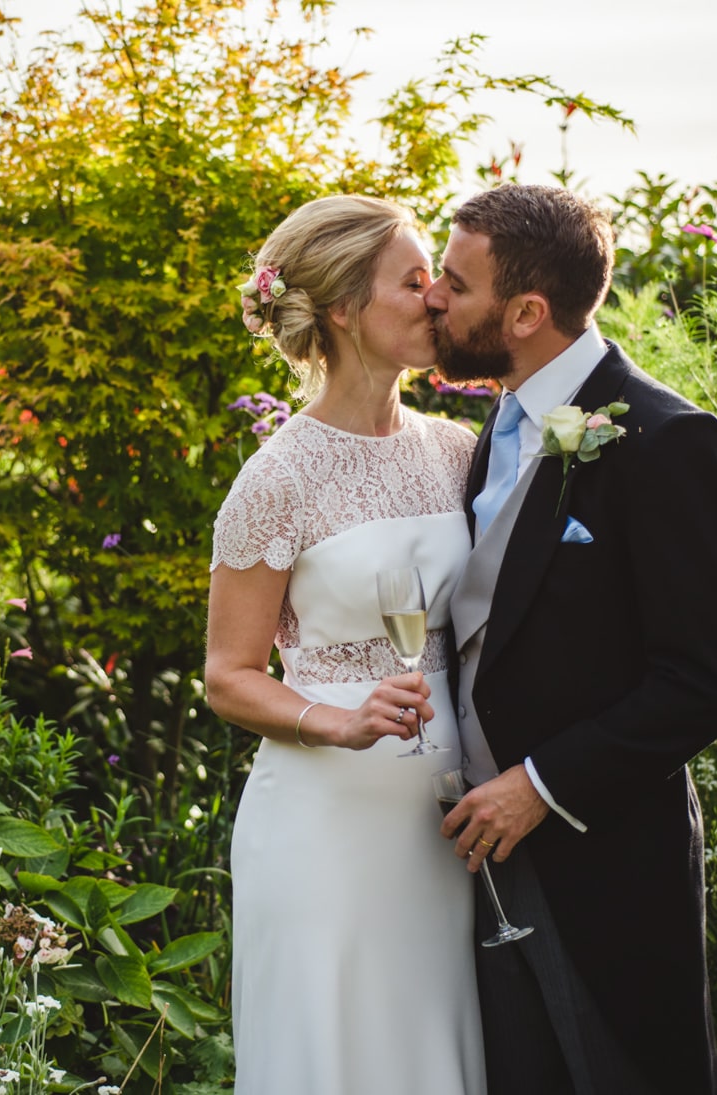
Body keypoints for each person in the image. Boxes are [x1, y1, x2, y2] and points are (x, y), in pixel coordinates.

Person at [427, 184, 717, 1094]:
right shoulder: (492, 423)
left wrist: (538, 786)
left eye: (455, 283)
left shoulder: (665, 438)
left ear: (526, 313)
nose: (433, 297)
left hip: (601, 858)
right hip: (472, 859)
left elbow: (708, 677)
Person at [205, 194, 485, 1095]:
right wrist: (334, 720)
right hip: (324, 827)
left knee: (432, 1053)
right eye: (412, 282)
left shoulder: (457, 451)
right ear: (340, 310)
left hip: (443, 820)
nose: (437, 298)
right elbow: (228, 676)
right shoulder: (275, 477)